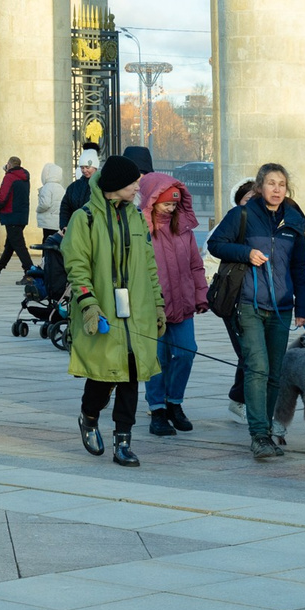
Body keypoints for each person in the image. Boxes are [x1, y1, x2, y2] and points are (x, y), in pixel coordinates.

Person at [64, 154, 161, 466]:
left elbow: (149, 264)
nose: (138, 186)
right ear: (116, 185)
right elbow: (77, 266)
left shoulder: (135, 217)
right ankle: (89, 416)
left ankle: (124, 441)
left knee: (132, 374)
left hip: (136, 312)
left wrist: (157, 304)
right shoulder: (85, 218)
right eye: (133, 182)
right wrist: (88, 304)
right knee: (104, 375)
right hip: (104, 310)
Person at [209, 162, 305, 459]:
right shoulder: (242, 214)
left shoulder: (294, 219)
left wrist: (302, 305)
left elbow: (299, 267)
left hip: (282, 306)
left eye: (281, 184)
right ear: (259, 187)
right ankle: (258, 435)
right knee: (257, 368)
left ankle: (266, 428)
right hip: (249, 304)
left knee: (275, 372)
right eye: (271, 183)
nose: (276, 189)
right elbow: (216, 243)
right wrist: (245, 252)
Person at [138, 170, 203, 437]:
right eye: (166, 203)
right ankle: (157, 410)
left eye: (175, 203)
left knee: (186, 352)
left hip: (184, 304)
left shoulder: (184, 230)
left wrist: (201, 295)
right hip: (153, 308)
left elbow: (196, 265)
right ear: (153, 202)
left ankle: (175, 402)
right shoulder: (141, 231)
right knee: (157, 359)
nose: (171, 208)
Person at [220, 178, 259, 414]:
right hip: (233, 298)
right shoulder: (233, 222)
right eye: (247, 200)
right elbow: (213, 252)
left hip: (259, 298)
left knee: (252, 353)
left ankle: (241, 398)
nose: (252, 204)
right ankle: (240, 400)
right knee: (248, 353)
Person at [0, 156, 33, 281]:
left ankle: (30, 272)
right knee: (10, 245)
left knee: (19, 245)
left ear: (10, 165)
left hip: (11, 215)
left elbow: (3, 195)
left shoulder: (9, 177)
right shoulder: (24, 178)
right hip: (21, 215)